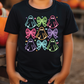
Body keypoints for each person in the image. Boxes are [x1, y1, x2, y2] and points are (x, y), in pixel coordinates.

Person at [4, 0, 79, 84]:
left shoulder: (64, 10)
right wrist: (10, 71)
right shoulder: (17, 9)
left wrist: (65, 72)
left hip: (54, 78)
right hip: (23, 77)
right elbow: (12, 41)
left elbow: (68, 41)